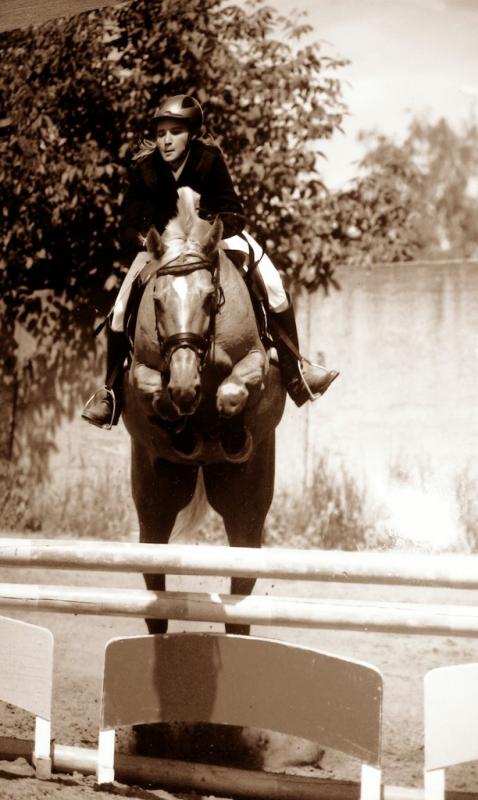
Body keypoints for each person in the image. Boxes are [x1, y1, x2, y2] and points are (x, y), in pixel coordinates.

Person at [82, 94, 338, 428]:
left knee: (274, 285)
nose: (166, 140)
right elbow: (128, 223)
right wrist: (147, 241)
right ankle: (110, 393)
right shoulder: (145, 168)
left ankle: (296, 372)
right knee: (119, 310)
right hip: (164, 248)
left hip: (212, 238)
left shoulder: (208, 158)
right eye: (161, 133)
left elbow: (234, 211)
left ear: (191, 134)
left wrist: (208, 234)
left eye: (175, 132)